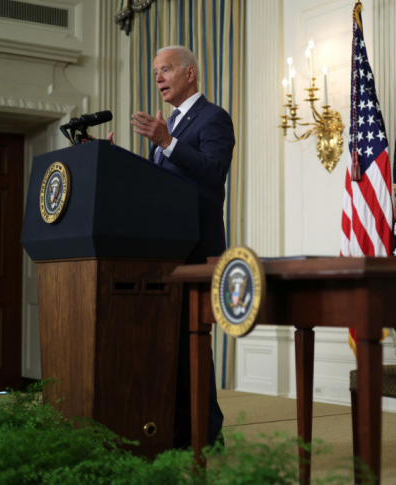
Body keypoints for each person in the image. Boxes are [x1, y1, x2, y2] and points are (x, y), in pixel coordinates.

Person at [130, 45, 235, 449]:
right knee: (170, 344)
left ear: (190, 74)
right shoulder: (169, 123)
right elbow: (158, 185)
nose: (158, 77)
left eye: (166, 69)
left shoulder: (213, 117)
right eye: (155, 70)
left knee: (192, 342)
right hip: (166, 248)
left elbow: (213, 171)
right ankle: (178, 431)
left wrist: (167, 141)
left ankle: (206, 435)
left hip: (197, 247)